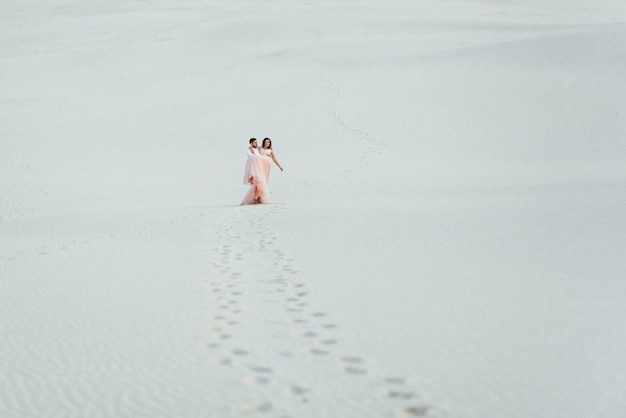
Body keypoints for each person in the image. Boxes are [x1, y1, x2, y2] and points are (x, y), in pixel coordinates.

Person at [241, 137, 282, 205]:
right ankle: (255, 198)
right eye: (266, 142)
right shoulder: (260, 148)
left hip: (267, 167)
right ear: (263, 143)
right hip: (260, 167)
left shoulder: (270, 150)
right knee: (259, 182)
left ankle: (259, 198)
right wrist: (250, 148)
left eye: (268, 142)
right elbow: (251, 147)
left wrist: (280, 166)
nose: (267, 143)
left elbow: (274, 159)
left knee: (264, 182)